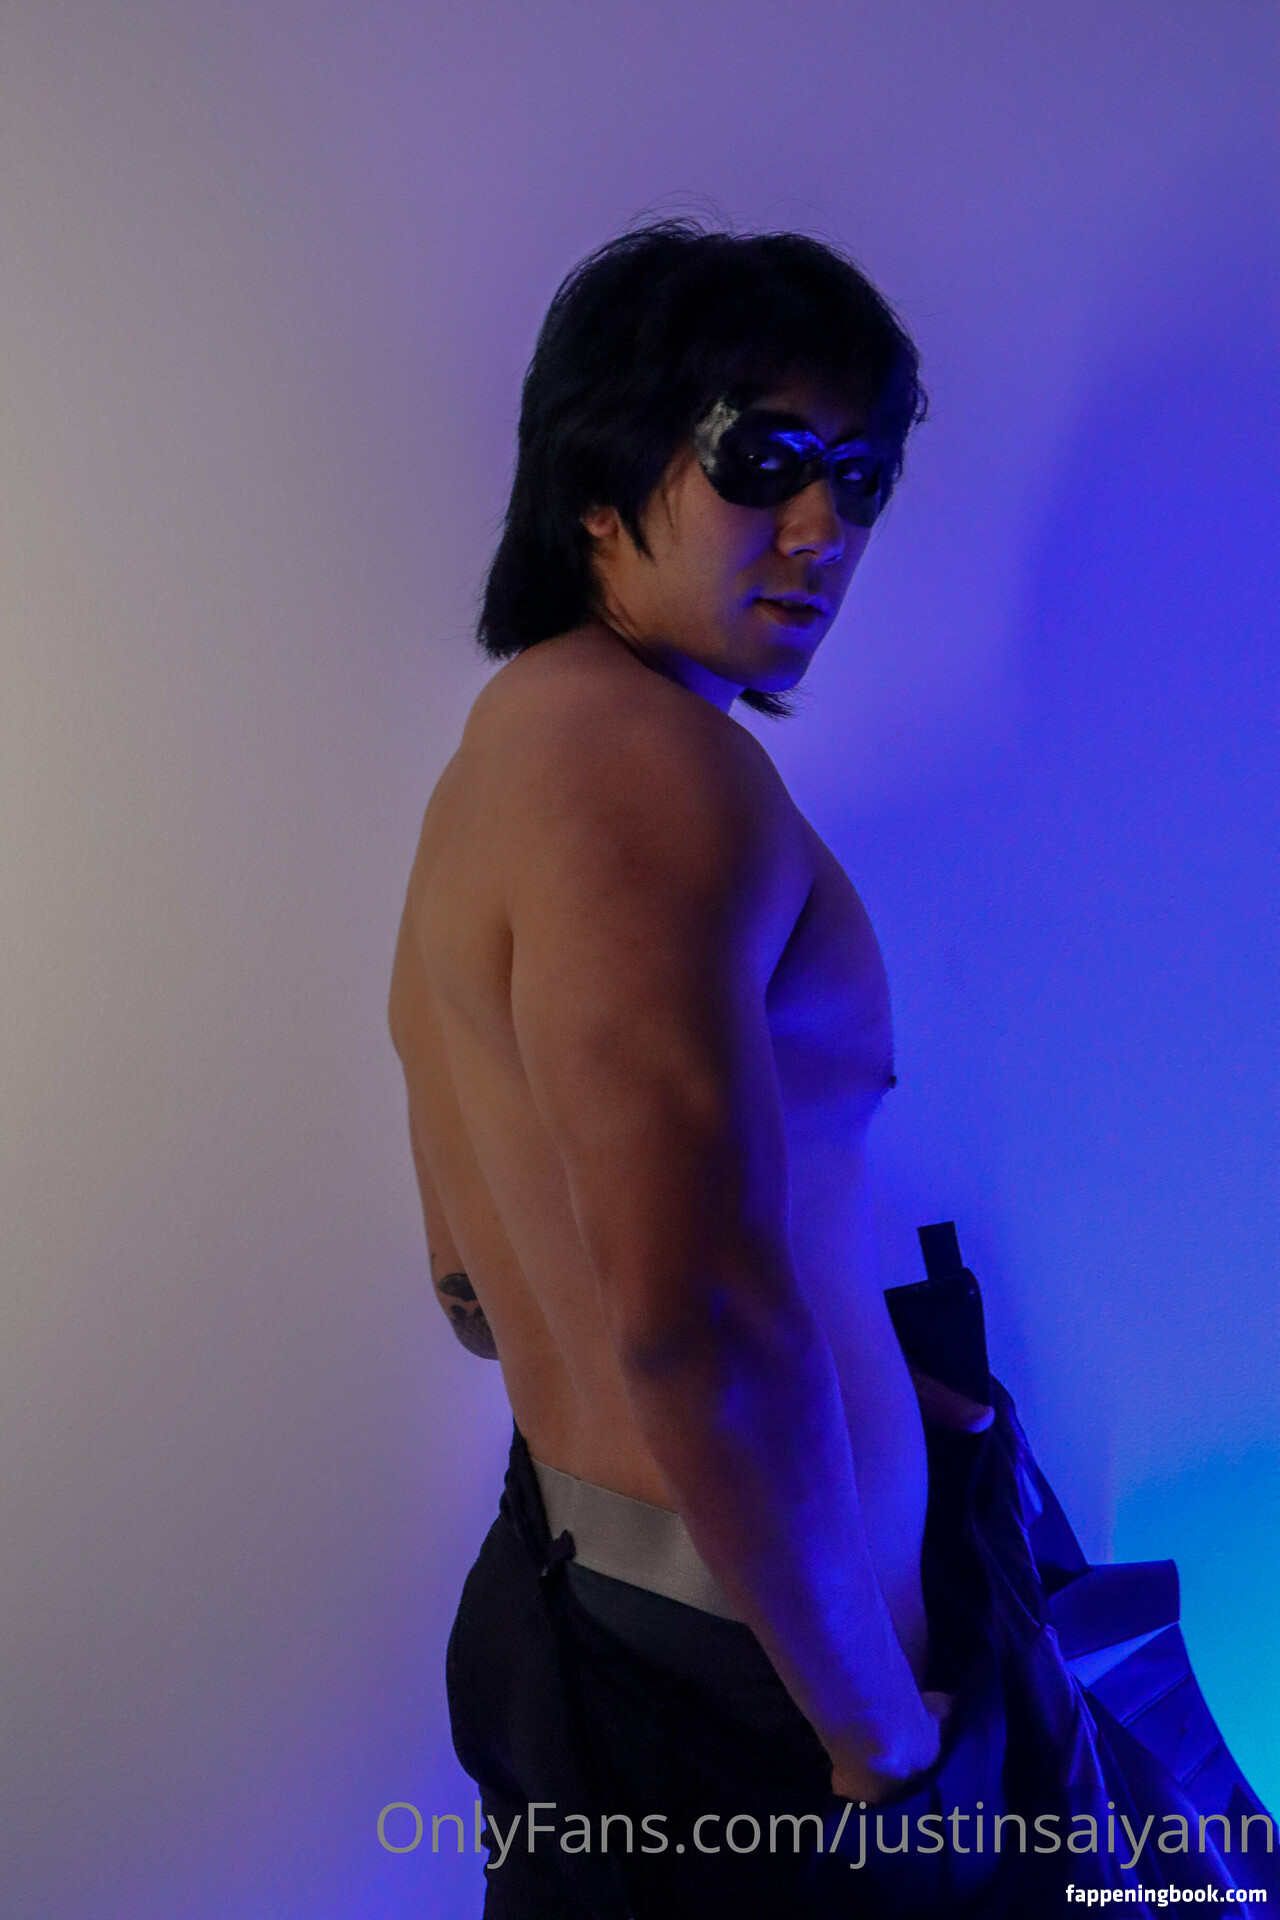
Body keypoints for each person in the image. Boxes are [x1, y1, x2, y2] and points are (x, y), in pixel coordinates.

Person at [388, 225, 1274, 1917]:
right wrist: (881, 1745)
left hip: (585, 1607)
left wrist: (875, 1397)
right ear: (600, 479)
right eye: (764, 458)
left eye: (857, 479)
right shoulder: (659, 781)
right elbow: (695, 1320)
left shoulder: (501, 758)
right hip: (777, 1701)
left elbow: (475, 1284)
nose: (822, 529)